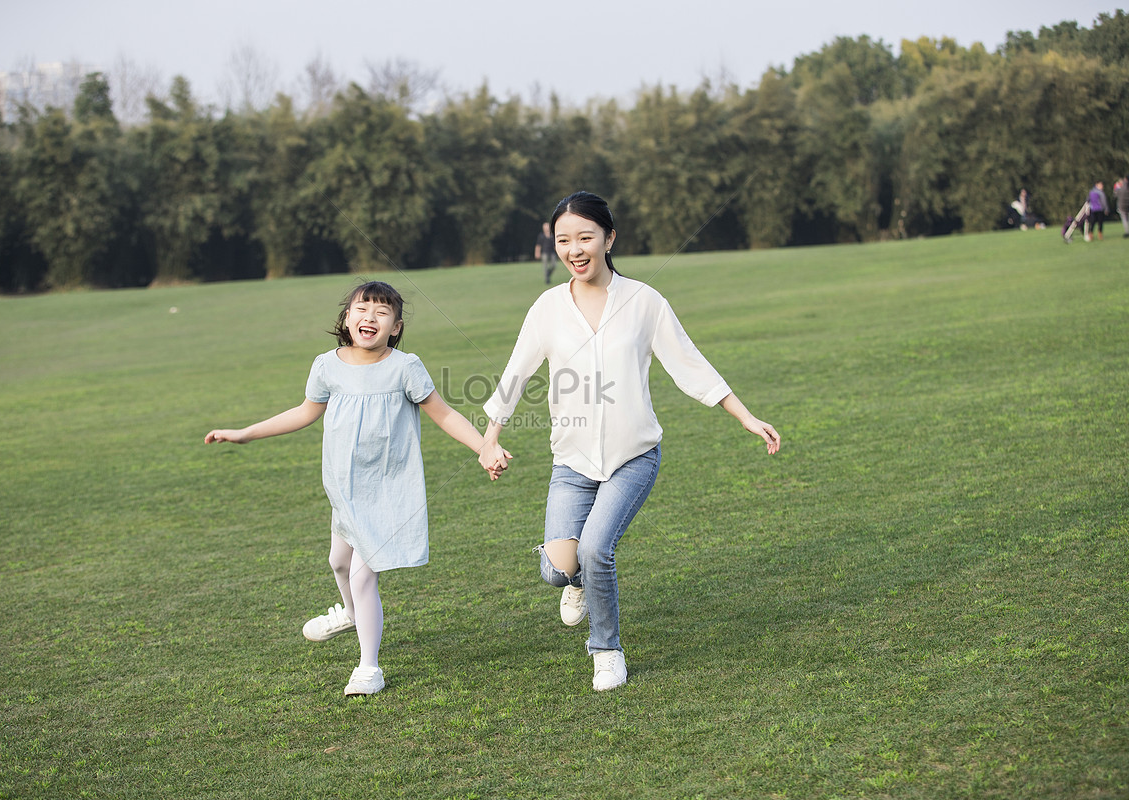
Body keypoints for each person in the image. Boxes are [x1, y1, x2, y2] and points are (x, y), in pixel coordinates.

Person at [479, 191, 781, 692]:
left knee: (597, 549)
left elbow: (689, 362)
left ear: (609, 237)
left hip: (633, 457)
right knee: (558, 570)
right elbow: (515, 374)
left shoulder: (643, 302)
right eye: (563, 240)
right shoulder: (549, 307)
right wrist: (491, 438)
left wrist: (744, 415)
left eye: (585, 237)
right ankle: (573, 581)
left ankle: (607, 651)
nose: (574, 250)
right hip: (571, 462)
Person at [205, 281, 507, 697]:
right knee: (339, 563)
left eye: (382, 312)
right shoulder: (326, 366)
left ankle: (369, 667)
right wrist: (246, 434)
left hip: (391, 487)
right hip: (346, 488)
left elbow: (443, 414)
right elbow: (304, 412)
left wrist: (483, 448)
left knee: (365, 576)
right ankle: (349, 613)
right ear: (346, 318)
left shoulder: (405, 366)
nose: (370, 317)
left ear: (396, 328)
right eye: (362, 308)